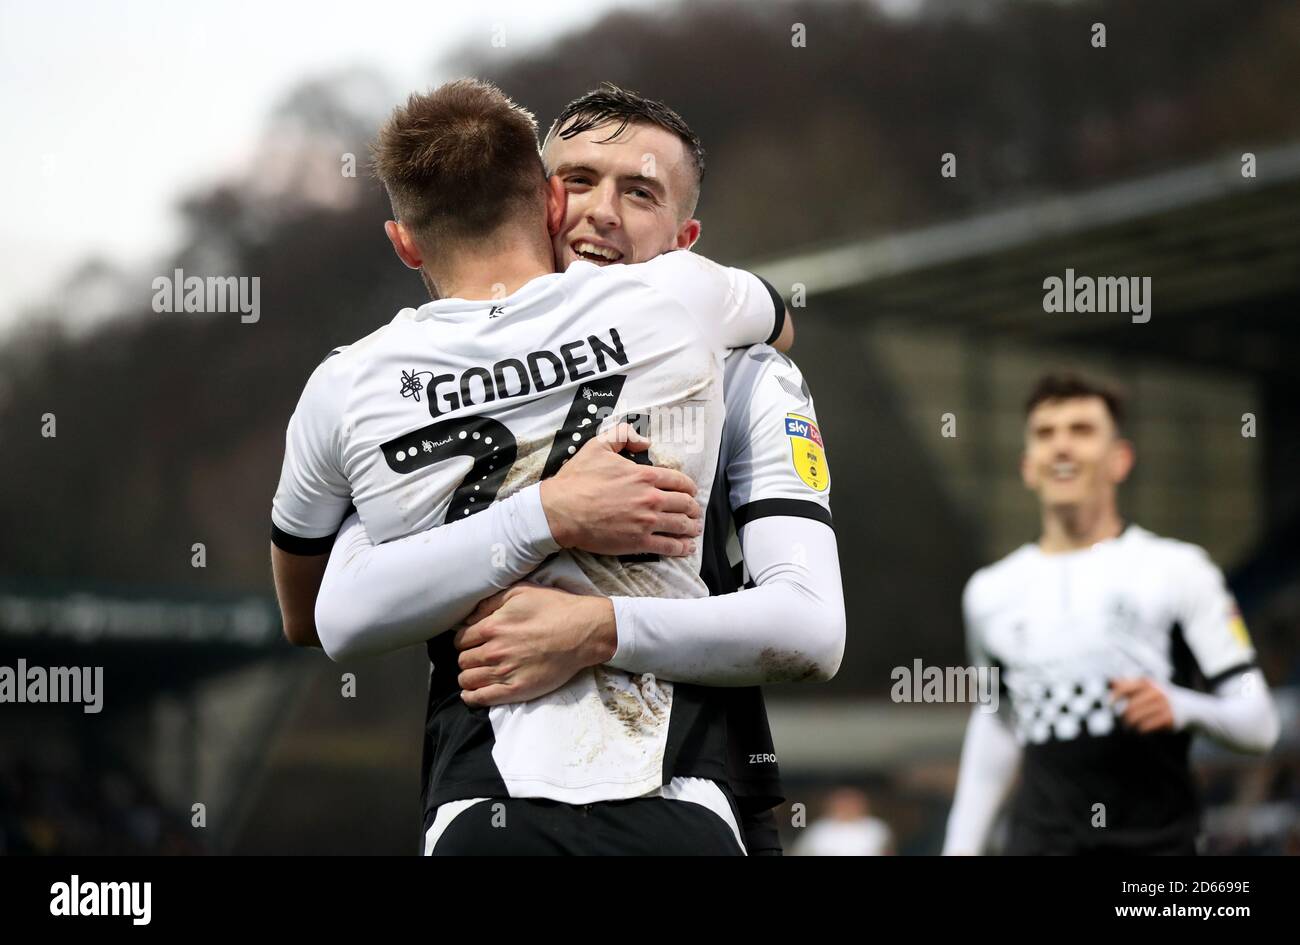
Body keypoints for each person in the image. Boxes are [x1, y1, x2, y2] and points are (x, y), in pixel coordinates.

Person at [270, 79, 835, 855]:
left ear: (686, 237)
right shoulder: (391, 389)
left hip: (698, 787)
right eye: (578, 182)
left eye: (639, 191)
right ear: (540, 201)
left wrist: (600, 628)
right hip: (493, 796)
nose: (602, 212)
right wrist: (546, 513)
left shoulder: (747, 376)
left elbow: (809, 628)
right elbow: (337, 610)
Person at [943, 372, 1280, 855]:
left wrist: (1182, 706)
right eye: (1045, 433)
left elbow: (1260, 722)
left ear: (1119, 459)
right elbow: (997, 720)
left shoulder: (1180, 570)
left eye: (1081, 430)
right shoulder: (990, 591)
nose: (1061, 447)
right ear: (1027, 466)